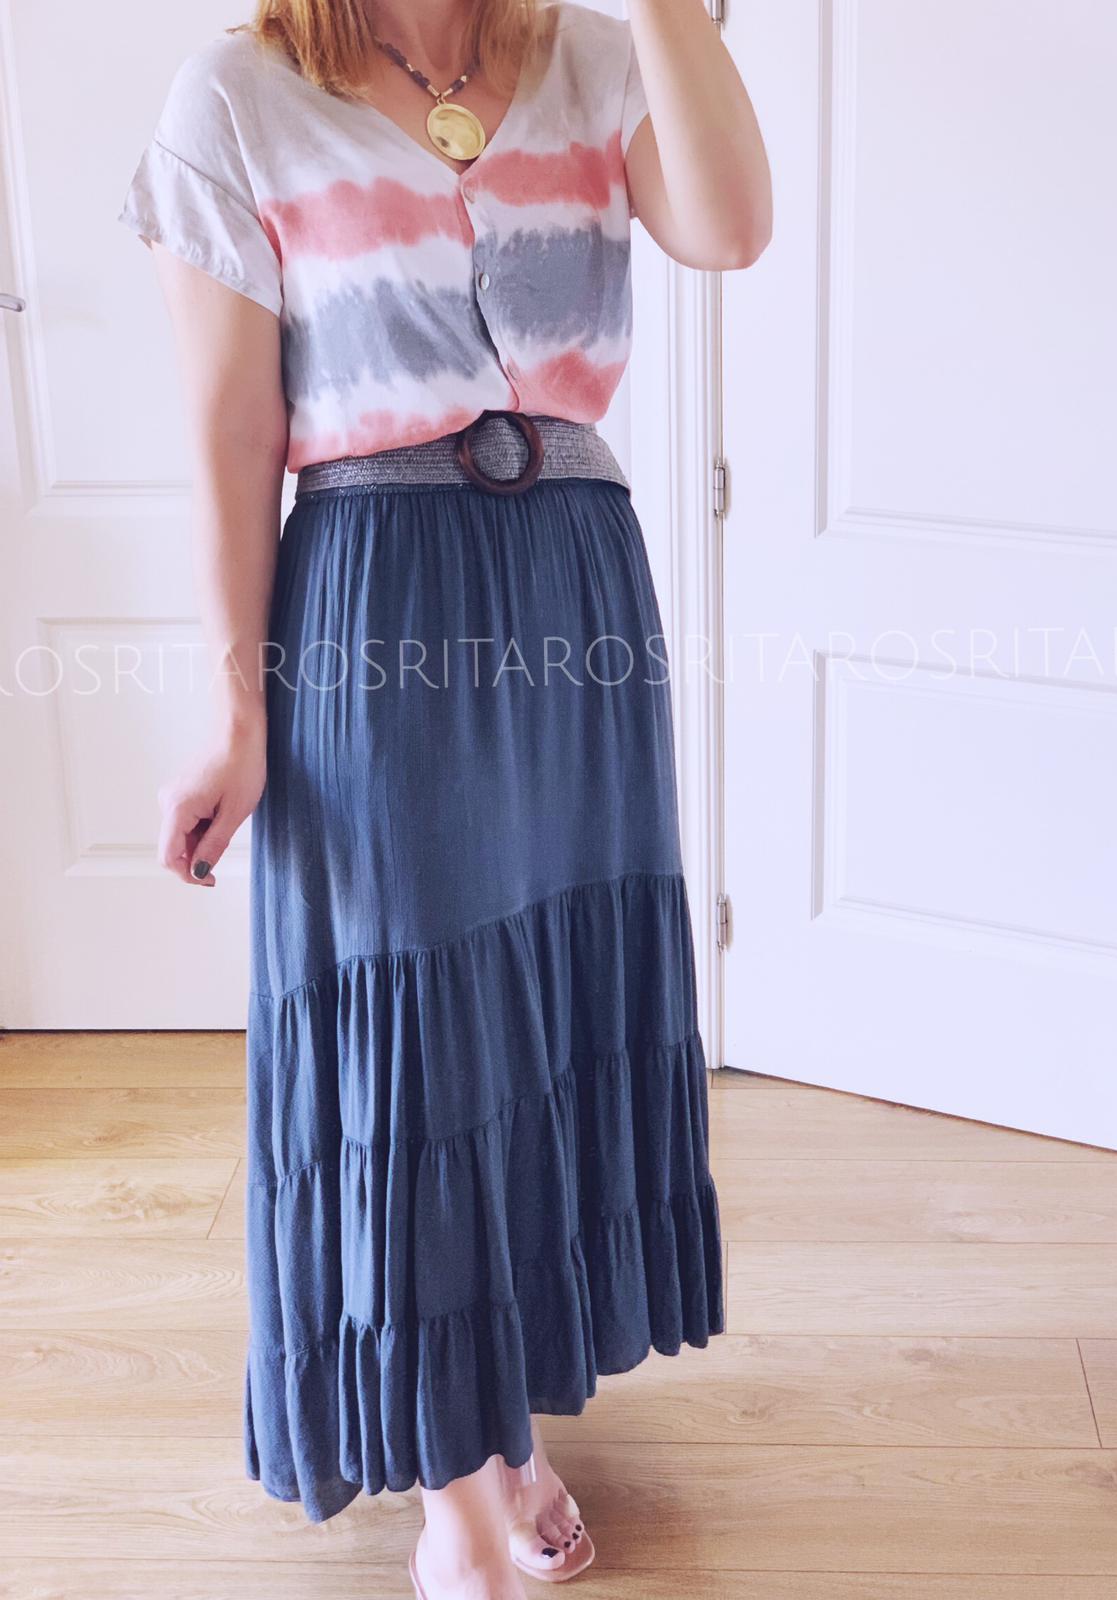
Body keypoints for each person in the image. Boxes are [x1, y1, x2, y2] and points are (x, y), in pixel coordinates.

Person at [119, 0, 770, 1594]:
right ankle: (455, 1475)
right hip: (376, 595)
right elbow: (230, 426)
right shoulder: (238, 97)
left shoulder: (598, 58)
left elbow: (733, 229)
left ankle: (505, 1409)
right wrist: (237, 712)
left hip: (577, 584)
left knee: (545, 1019)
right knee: (425, 1042)